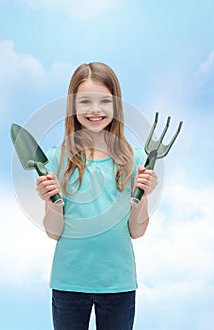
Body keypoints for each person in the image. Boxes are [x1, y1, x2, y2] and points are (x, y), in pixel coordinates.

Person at [36, 62, 157, 330]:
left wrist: (144, 195)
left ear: (116, 105)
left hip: (118, 283)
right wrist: (50, 201)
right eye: (85, 101)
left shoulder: (135, 160)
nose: (95, 110)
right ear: (73, 106)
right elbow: (54, 232)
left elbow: (136, 231)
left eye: (104, 101)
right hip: (69, 282)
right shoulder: (59, 157)